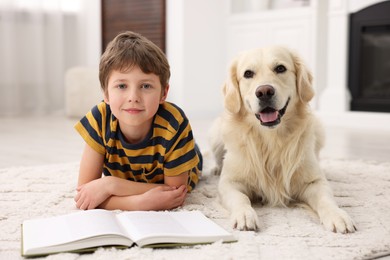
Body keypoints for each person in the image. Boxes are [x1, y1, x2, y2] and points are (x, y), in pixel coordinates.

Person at [74, 31, 202, 211]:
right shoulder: (100, 118)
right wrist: (140, 203)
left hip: (183, 158)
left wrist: (111, 185)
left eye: (146, 86)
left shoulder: (174, 123)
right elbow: (85, 195)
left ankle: (195, 149)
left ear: (163, 93)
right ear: (106, 94)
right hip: (140, 176)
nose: (133, 97)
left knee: (195, 154)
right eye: (121, 86)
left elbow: (174, 193)